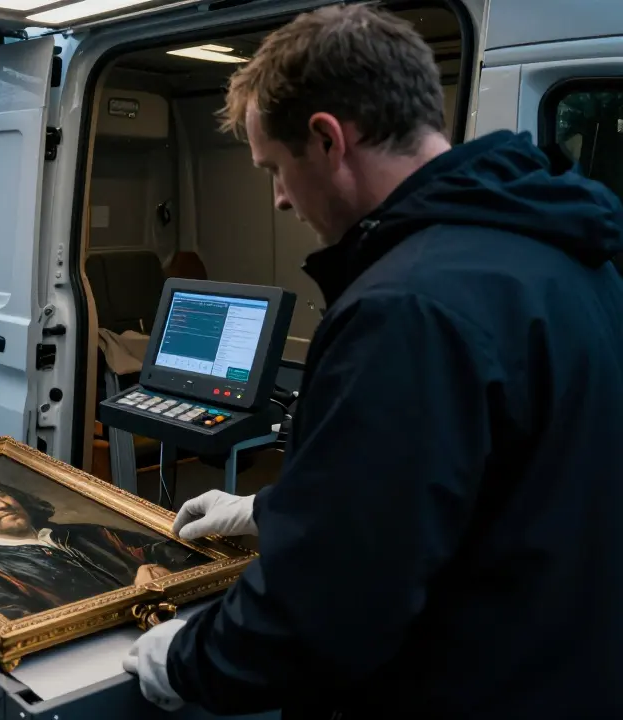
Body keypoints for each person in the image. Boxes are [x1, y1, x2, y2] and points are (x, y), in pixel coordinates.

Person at [123, 5, 623, 718]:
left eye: (275, 168)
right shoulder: (565, 254)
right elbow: (496, 485)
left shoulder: (408, 306)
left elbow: (328, 611)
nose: (280, 197)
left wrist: (188, 659)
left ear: (327, 140)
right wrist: (275, 507)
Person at [0, 474, 207, 620]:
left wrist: (169, 571)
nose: (0, 503)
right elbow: (24, 627)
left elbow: (179, 555)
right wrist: (135, 595)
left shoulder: (82, 534)